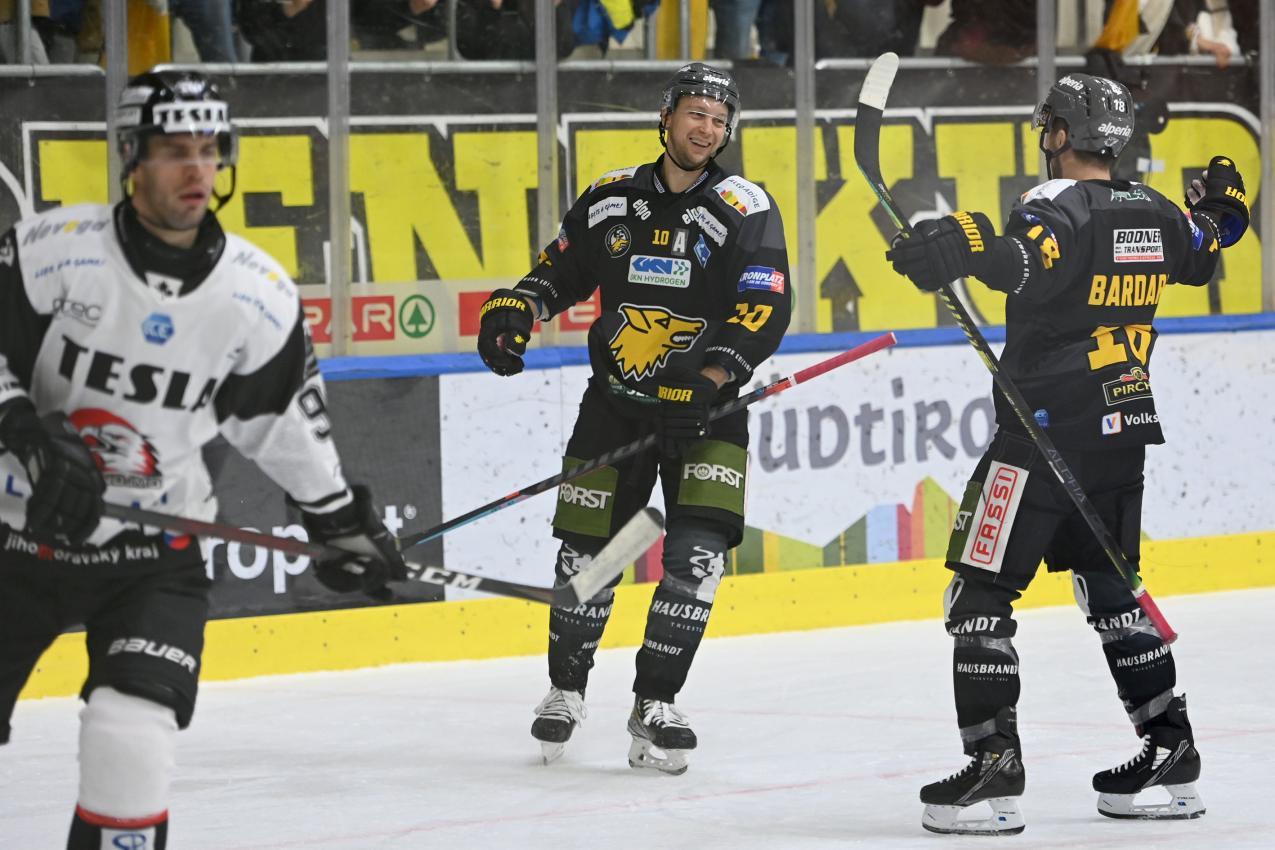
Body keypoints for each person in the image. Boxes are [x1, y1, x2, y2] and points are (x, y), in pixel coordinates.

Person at [0, 69, 406, 849]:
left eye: (209, 150)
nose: (196, 169)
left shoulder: (255, 295)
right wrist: (21, 425)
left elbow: (282, 425)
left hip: (151, 551)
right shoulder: (48, 253)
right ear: (130, 157)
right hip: (15, 534)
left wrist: (338, 521)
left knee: (131, 734)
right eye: (173, 151)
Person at [885, 73, 1248, 834]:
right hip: (1120, 436)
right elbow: (1208, 243)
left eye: (1046, 123)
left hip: (1039, 437)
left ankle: (993, 768)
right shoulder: (1153, 209)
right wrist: (1223, 203)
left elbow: (1026, 261)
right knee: (1111, 596)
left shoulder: (1055, 202)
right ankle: (1169, 750)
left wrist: (962, 248)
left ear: (1059, 133)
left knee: (977, 598)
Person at [476, 62, 790, 774]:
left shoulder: (744, 206)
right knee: (590, 555)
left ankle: (655, 702)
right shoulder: (610, 197)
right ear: (666, 116)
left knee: (694, 558)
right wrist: (517, 306)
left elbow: (763, 306)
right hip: (615, 410)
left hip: (707, 415)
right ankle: (565, 687)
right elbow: (559, 271)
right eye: (695, 114)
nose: (705, 129)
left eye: (718, 119)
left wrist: (706, 380)